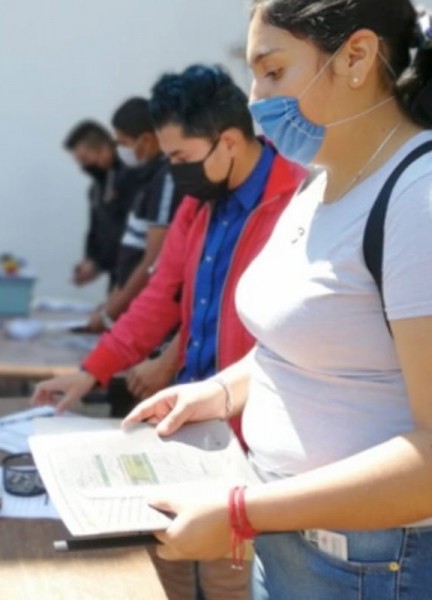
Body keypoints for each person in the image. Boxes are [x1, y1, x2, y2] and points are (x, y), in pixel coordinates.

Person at [124, 2, 432, 598]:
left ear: (357, 57)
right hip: (291, 546)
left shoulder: (417, 197)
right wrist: (218, 392)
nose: (256, 95)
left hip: (369, 565)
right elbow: (306, 345)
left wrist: (240, 513)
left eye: (271, 70)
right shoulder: (322, 178)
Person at [34, 65, 307, 600]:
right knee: (169, 571)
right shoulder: (198, 202)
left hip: (254, 444)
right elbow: (161, 298)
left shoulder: (296, 200)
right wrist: (91, 373)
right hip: (188, 428)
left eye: (181, 158)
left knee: (231, 582)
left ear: (227, 141)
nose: (175, 171)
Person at [85, 97, 182, 332]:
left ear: (146, 140)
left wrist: (111, 313)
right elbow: (131, 255)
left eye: (123, 142)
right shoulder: (144, 178)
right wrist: (111, 305)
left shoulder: (167, 179)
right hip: (130, 310)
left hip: (150, 320)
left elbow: (152, 261)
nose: (121, 151)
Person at [63, 120, 133, 289]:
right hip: (115, 275)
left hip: (133, 273)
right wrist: (91, 261)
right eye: (80, 161)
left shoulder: (130, 178)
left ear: (104, 148)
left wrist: (100, 264)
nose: (84, 166)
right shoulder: (95, 188)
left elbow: (127, 232)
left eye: (85, 159)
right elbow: (95, 229)